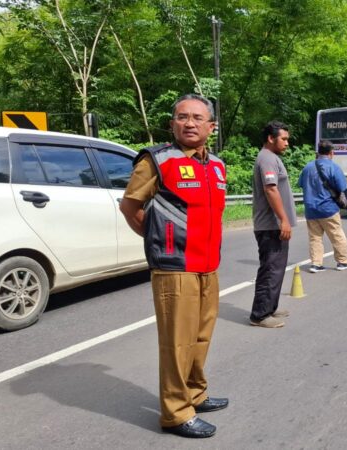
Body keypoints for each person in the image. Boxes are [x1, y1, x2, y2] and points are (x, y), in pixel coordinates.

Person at [119, 94, 228, 439]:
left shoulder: (217, 165)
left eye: (198, 118)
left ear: (211, 126)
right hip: (175, 267)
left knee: (200, 338)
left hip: (208, 266)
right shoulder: (157, 161)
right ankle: (176, 413)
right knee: (176, 343)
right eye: (182, 117)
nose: (190, 123)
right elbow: (130, 206)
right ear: (172, 123)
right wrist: (159, 240)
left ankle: (195, 393)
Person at [249, 121, 297, 329]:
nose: (287, 143)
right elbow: (271, 190)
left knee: (276, 268)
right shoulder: (267, 159)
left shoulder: (272, 158)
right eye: (283, 139)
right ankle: (260, 314)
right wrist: (283, 220)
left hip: (273, 224)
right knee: (271, 268)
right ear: (271, 138)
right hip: (271, 225)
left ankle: (270, 305)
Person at [297, 140, 347, 273]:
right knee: (336, 235)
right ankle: (343, 261)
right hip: (328, 208)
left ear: (318, 152)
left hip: (310, 209)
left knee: (315, 237)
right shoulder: (333, 167)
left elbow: (301, 184)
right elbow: (342, 186)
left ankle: (316, 264)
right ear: (332, 153)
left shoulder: (307, 167)